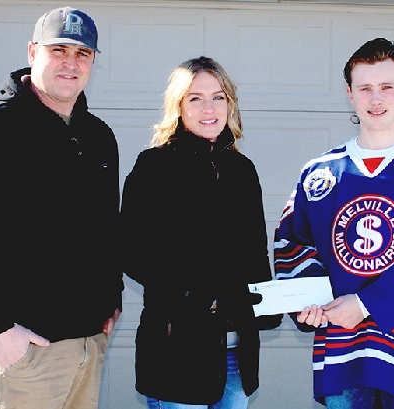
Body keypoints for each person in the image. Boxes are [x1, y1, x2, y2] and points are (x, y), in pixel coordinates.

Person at [273, 38, 394, 408]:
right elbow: (291, 244)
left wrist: (365, 304)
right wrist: (308, 301)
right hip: (342, 353)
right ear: (349, 93)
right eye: (365, 88)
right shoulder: (319, 172)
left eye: (386, 87)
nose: (375, 99)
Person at [0, 7, 123, 409]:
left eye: (82, 53)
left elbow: (108, 229)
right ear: (32, 52)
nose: (70, 63)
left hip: (88, 343)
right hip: (28, 345)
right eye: (58, 49)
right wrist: (0, 328)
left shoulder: (99, 137)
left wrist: (113, 296)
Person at [121, 56, 282, 409]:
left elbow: (255, 252)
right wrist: (195, 295)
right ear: (178, 106)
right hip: (176, 352)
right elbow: (129, 250)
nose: (209, 108)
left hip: (235, 355)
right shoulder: (153, 167)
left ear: (230, 104)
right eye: (195, 98)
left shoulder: (242, 170)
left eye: (218, 97)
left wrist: (268, 305)